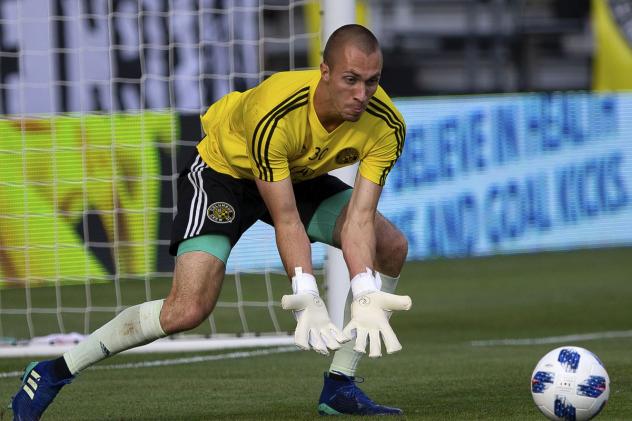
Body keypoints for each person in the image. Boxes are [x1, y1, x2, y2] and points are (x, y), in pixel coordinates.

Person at [10, 23, 412, 419]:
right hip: (225, 174)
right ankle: (53, 371)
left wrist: (364, 292)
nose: (361, 95)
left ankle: (340, 384)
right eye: (350, 80)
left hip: (296, 174)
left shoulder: (387, 124)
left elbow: (359, 218)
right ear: (324, 71)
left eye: (372, 81)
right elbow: (286, 218)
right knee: (186, 309)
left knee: (390, 246)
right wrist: (306, 293)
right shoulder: (275, 110)